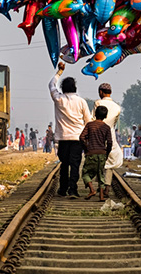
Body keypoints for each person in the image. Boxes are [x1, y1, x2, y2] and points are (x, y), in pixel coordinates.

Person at [49, 61, 91, 198]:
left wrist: (59, 72)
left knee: (64, 164)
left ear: (63, 88)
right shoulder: (81, 101)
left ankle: (62, 188)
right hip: (77, 139)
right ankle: (73, 189)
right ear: (75, 88)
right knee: (75, 165)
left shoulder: (58, 99)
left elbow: (51, 85)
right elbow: (88, 121)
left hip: (62, 138)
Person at [94, 82, 122, 198]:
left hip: (98, 134)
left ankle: (100, 186)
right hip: (110, 134)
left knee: (99, 161)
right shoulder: (117, 107)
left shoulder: (98, 103)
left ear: (101, 92)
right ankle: (107, 187)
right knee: (109, 162)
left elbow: (93, 118)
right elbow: (114, 123)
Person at [80, 105, 113, 201]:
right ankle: (101, 196)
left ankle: (92, 190)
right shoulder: (106, 127)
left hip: (91, 153)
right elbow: (110, 142)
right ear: (106, 116)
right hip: (102, 153)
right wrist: (107, 152)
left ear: (94, 114)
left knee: (85, 173)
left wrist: (86, 148)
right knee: (100, 174)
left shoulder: (90, 125)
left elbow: (82, 137)